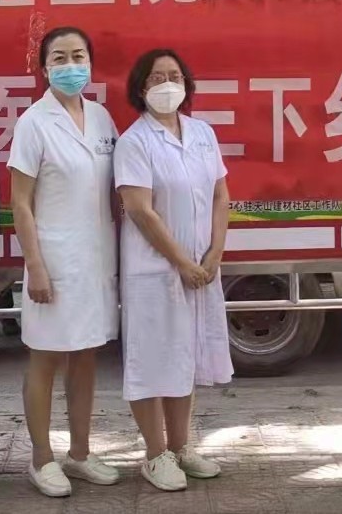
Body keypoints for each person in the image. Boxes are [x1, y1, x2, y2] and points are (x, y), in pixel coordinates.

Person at [9, 27, 122, 498]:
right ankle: (41, 458)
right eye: (59, 57)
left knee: (86, 355)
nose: (70, 65)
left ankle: (80, 452)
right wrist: (35, 265)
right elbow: (20, 202)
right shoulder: (33, 123)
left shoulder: (101, 118)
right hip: (53, 261)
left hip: (95, 259)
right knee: (46, 357)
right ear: (44, 68)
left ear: (90, 63)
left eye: (78, 56)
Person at [114, 48, 232, 493]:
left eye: (175, 76)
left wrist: (215, 252)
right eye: (157, 77)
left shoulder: (202, 133)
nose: (167, 84)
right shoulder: (134, 141)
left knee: (184, 355)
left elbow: (221, 194)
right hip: (156, 272)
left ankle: (181, 447)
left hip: (201, 268)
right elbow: (139, 210)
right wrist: (181, 261)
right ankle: (155, 454)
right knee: (151, 359)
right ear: (141, 87)